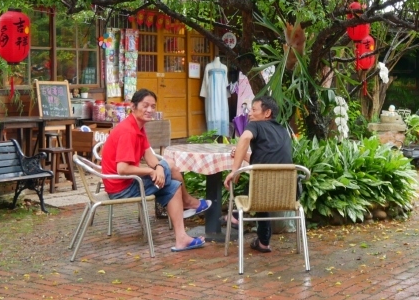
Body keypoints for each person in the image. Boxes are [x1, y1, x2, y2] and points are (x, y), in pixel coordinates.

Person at [101, 89, 210, 251]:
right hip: (121, 188)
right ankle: (189, 202)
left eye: (153, 106)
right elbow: (122, 168)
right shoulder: (128, 131)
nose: (150, 110)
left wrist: (158, 167)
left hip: (128, 183)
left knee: (173, 186)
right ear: (133, 106)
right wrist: (152, 172)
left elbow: (151, 158)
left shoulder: (139, 126)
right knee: (171, 164)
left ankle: (182, 239)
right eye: (145, 106)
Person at [225, 95, 293, 253]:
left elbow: (245, 138)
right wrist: (242, 156)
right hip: (287, 194)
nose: (249, 114)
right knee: (263, 181)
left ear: (267, 112)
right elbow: (267, 159)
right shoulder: (283, 131)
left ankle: (235, 215)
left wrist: (234, 171)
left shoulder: (256, 125)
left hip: (261, 190)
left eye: (254, 110)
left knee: (260, 185)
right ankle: (263, 242)